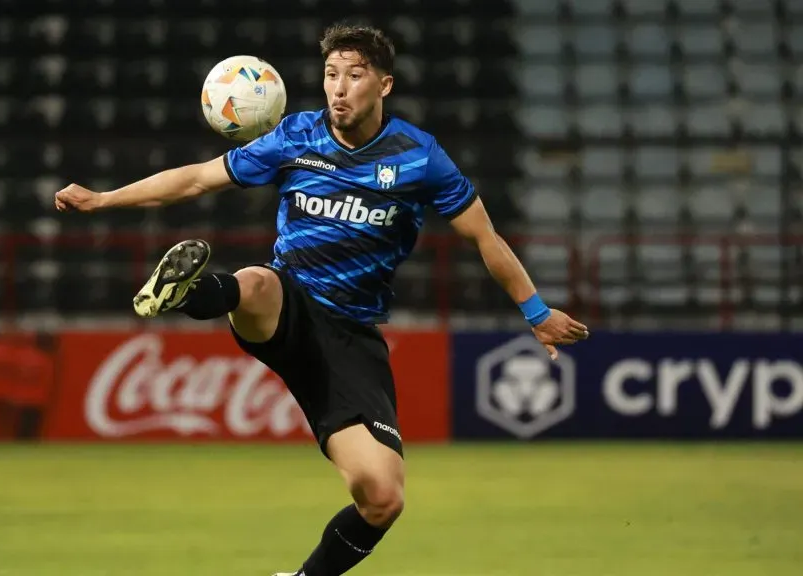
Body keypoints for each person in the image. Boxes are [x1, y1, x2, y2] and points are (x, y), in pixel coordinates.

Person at [54, 22, 590, 576]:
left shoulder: (419, 157)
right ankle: (191, 292)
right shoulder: (295, 137)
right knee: (259, 283)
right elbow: (195, 179)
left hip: (351, 339)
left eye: (354, 76)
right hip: (288, 304)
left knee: (382, 497)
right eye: (331, 74)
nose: (338, 87)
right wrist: (102, 200)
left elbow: (486, 238)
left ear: (383, 85)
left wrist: (537, 312)